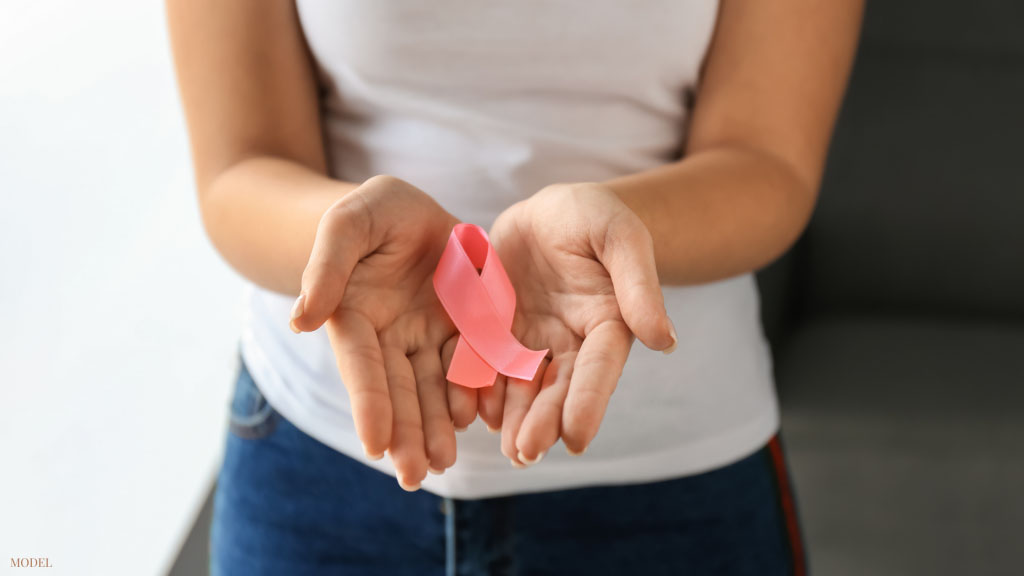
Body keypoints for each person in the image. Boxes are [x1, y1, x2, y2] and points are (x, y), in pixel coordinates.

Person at [167, 1, 862, 574]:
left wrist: (617, 230)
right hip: (321, 464)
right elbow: (240, 167)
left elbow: (768, 160)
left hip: (676, 480)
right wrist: (349, 241)